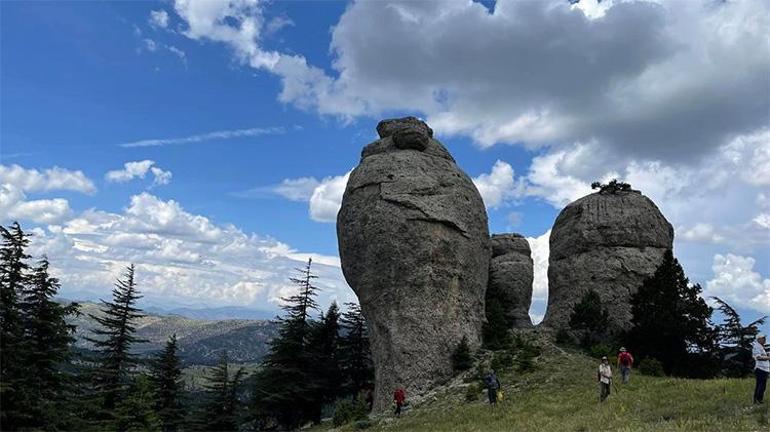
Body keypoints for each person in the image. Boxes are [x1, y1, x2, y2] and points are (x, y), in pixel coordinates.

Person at [752, 334, 769, 404]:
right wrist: (768, 358)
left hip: (763, 369)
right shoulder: (757, 346)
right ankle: (758, 400)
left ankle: (758, 400)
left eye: (764, 338)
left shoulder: (760, 347)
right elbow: (758, 357)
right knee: (761, 385)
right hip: (760, 369)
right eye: (763, 338)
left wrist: (766, 356)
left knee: (761, 385)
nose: (764, 339)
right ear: (758, 339)